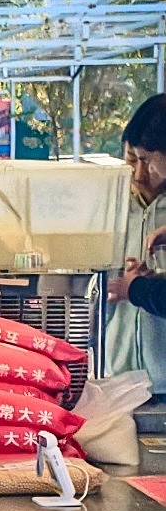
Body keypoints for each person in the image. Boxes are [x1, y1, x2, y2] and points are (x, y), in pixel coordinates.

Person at [107, 93, 166, 393]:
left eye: (148, 160)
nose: (140, 174)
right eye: (132, 159)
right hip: (119, 375)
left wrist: (138, 289)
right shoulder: (108, 206)